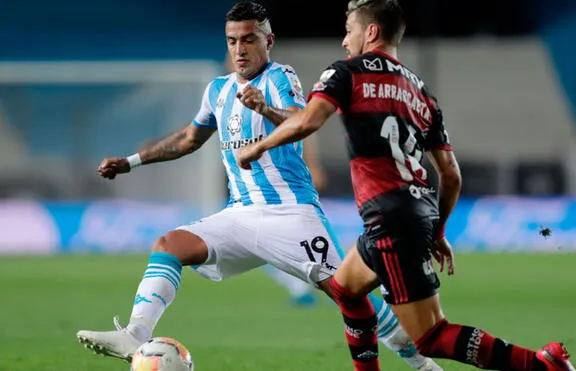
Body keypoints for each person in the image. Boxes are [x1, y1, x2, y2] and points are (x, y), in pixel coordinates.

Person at [75, 2, 442, 370]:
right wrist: (132, 161)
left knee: (348, 293)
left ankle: (423, 365)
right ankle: (137, 333)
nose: (239, 49)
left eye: (249, 39)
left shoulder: (281, 78)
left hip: (291, 214)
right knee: (169, 245)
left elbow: (302, 119)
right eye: (232, 40)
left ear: (269, 41)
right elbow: (189, 138)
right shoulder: (217, 90)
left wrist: (265, 108)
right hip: (241, 214)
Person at [237, 1, 576, 370]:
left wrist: (259, 146)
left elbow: (307, 122)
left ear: (371, 32)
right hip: (412, 211)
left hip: (388, 217)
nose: (343, 41)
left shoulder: (346, 73)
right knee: (346, 290)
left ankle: (542, 365)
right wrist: (438, 229)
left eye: (349, 30)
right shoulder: (421, 92)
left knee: (431, 336)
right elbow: (451, 174)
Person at [226, 52, 323, 307]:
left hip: (285, 189)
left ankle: (331, 283)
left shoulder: (270, 90)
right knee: (265, 246)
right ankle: (303, 287)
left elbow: (300, 127)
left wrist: (312, 165)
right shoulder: (226, 94)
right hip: (250, 191)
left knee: (295, 246)